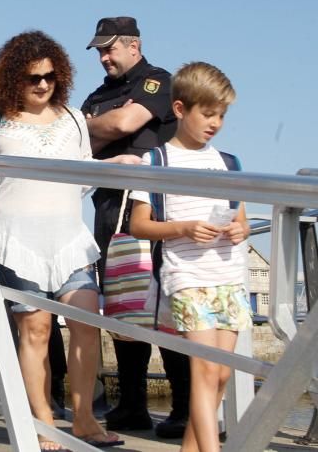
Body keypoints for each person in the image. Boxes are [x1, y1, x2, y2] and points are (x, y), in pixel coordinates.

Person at [0, 31, 130, 450]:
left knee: (87, 326)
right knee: (36, 330)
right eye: (33, 77)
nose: (43, 84)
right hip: (16, 241)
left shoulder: (71, 119)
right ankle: (43, 421)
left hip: (70, 240)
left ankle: (85, 420)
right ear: (14, 78)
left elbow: (83, 172)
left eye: (50, 76)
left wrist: (114, 164)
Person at [129, 62, 250, 452]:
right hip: (186, 275)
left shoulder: (228, 163)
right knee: (203, 369)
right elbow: (139, 225)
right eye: (208, 113)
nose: (216, 123)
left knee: (221, 376)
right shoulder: (157, 162)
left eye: (222, 115)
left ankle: (190, 448)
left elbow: (242, 220)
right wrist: (183, 228)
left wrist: (238, 230)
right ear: (180, 109)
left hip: (228, 275)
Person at [80, 16, 190, 437]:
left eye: (109, 49)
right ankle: (132, 406)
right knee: (122, 304)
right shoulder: (97, 94)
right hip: (109, 204)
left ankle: (182, 409)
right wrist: (102, 126)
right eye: (99, 51)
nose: (103, 57)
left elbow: (122, 126)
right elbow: (81, 144)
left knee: (163, 303)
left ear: (133, 45)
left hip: (155, 205)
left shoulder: (158, 81)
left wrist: (108, 125)